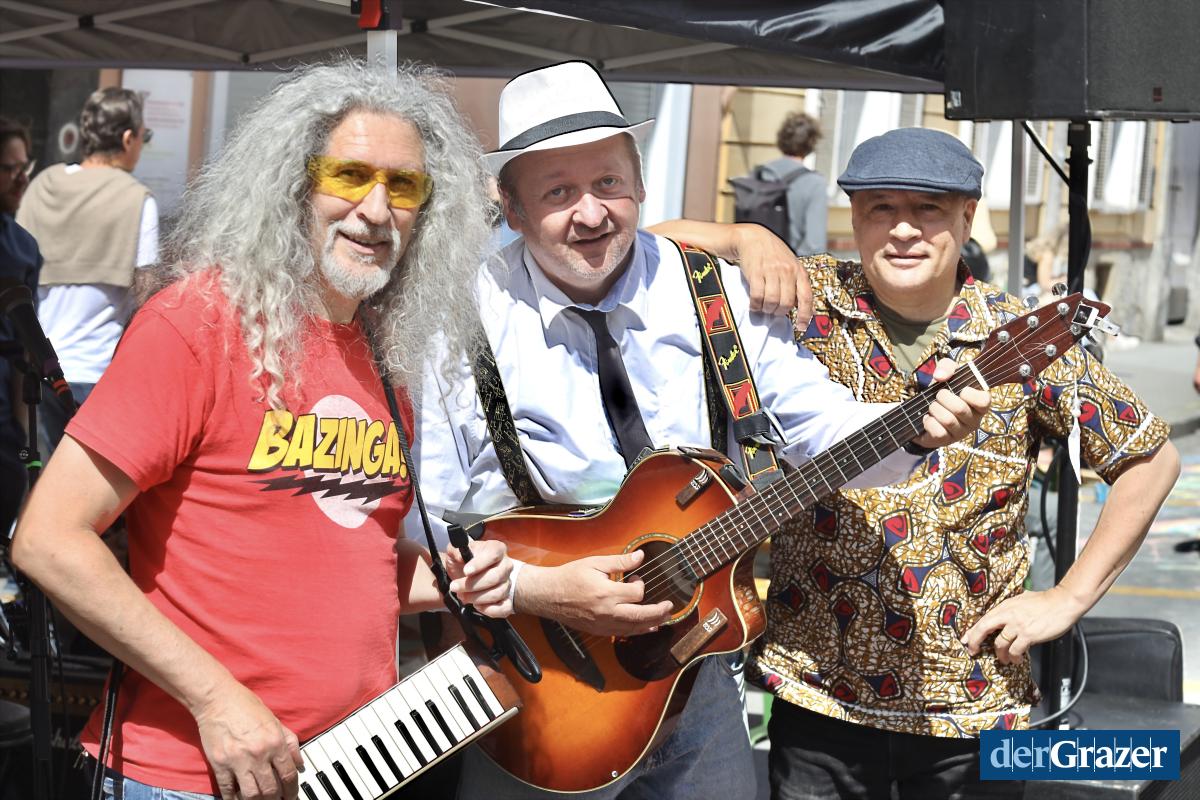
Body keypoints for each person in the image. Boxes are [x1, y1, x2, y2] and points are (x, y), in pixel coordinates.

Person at [413, 61, 990, 800]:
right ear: (512, 209)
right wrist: (541, 590)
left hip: (696, 666)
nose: (591, 213)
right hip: (541, 682)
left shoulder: (711, 292)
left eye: (608, 183)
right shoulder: (458, 320)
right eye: (558, 192)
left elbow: (822, 422)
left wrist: (914, 429)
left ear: (640, 184)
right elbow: (424, 521)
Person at [11, 61, 516, 800]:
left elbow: (349, 556)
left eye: (404, 186)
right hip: (188, 778)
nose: (376, 209)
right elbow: (48, 539)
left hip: (351, 769)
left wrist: (451, 581)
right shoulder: (197, 325)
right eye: (349, 175)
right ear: (293, 184)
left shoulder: (383, 355)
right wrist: (216, 699)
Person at [746, 127, 1180, 800]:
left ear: (967, 218)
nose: (904, 230)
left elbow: (1150, 458)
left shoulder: (1021, 336)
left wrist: (1068, 598)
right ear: (854, 216)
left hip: (975, 702)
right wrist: (747, 237)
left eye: (929, 209)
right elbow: (650, 253)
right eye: (882, 208)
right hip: (819, 694)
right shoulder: (803, 305)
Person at [15, 87, 160, 450]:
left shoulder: (42, 186)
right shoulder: (135, 198)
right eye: (144, 137)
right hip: (99, 375)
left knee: (40, 477)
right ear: (127, 139)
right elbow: (147, 298)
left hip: (36, 373)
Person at [0, 115, 40, 537]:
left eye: (24, 166)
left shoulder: (24, 247)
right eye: (9, 168)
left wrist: (24, 434)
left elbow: (27, 348)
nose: (21, 178)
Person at [754, 111, 828, 256]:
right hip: (788, 263)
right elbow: (814, 245)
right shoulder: (815, 183)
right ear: (812, 142)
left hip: (753, 259)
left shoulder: (759, 174)